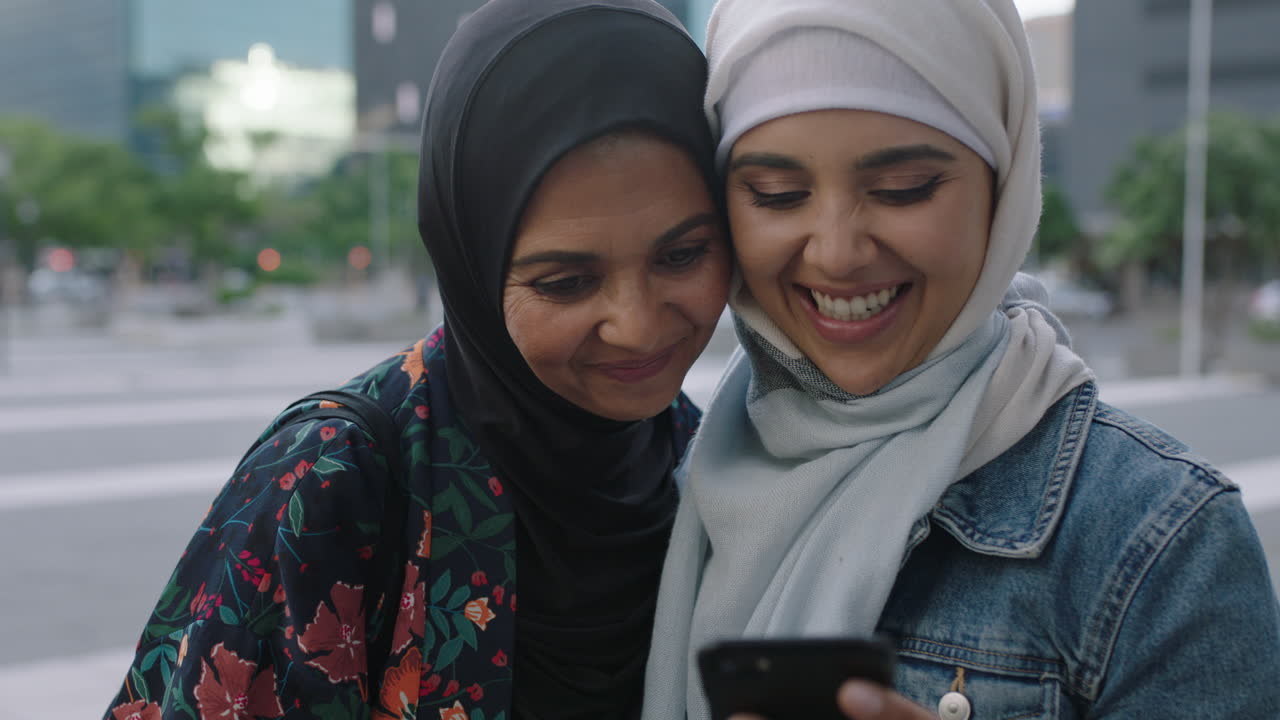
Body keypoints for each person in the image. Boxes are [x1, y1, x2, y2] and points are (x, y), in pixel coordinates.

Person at [641, 1, 1280, 719]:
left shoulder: (1162, 544)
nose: (836, 252)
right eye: (776, 195)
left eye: (903, 188)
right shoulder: (666, 476)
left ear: (1001, 188)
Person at [103, 2, 731, 719]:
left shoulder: (714, 465)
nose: (637, 326)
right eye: (566, 283)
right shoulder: (336, 484)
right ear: (470, 265)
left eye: (683, 255)